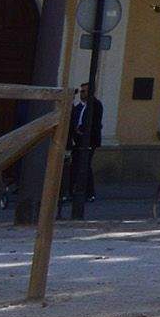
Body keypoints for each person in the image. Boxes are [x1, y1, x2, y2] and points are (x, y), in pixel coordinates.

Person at [64, 85, 103, 220]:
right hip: (77, 141)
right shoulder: (78, 106)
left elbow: (95, 123)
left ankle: (89, 192)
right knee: (75, 165)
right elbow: (71, 120)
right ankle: (72, 191)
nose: (81, 93)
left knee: (85, 166)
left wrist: (84, 131)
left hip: (89, 141)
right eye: (81, 91)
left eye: (84, 91)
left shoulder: (95, 105)